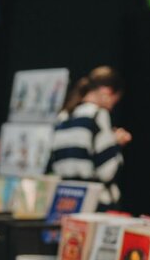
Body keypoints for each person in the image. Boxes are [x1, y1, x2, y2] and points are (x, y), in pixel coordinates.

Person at [46, 66, 131, 211]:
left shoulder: (63, 117)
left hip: (65, 200)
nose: (111, 106)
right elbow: (107, 171)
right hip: (94, 203)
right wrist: (115, 143)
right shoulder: (98, 115)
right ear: (107, 92)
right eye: (113, 100)